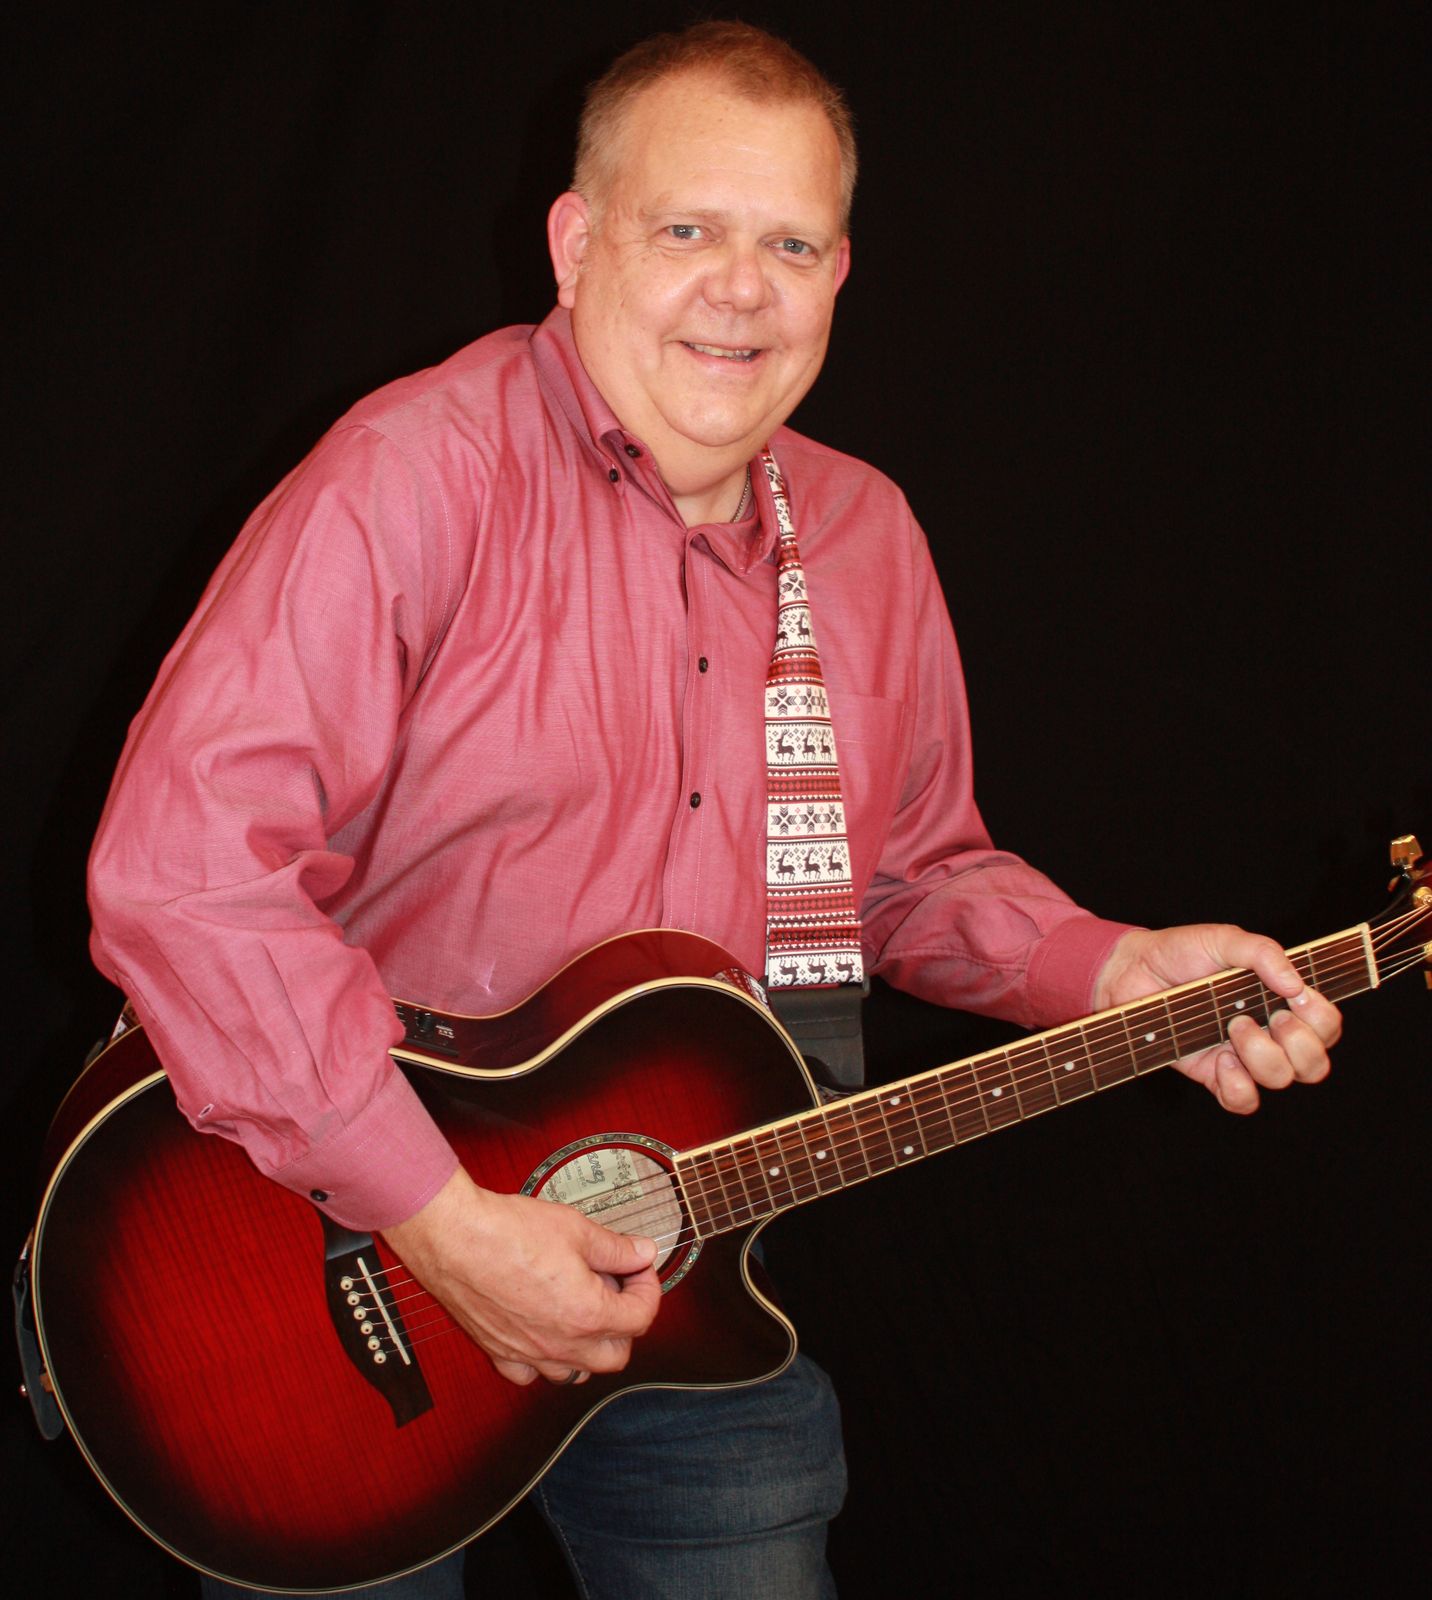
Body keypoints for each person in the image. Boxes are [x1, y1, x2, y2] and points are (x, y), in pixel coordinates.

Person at [86, 21, 1342, 1599]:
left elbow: (904, 876)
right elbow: (187, 875)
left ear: (839, 273)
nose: (741, 288)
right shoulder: (410, 477)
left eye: (790, 245)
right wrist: (441, 1220)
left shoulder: (868, 536)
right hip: (332, 1271)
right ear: (575, 242)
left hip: (686, 1272)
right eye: (687, 229)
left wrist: (1119, 971)